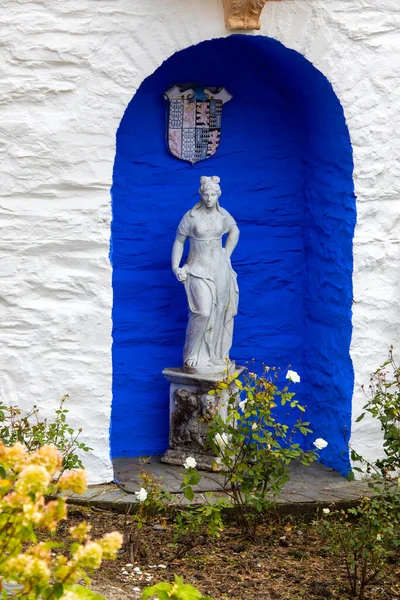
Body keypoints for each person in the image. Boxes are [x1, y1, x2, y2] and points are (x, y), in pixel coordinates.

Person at [172, 176, 240, 373]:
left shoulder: (223, 215)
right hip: (197, 269)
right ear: (201, 195)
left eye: (213, 195)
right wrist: (177, 267)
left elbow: (235, 231)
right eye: (206, 194)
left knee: (220, 311)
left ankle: (214, 356)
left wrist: (227, 252)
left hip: (219, 269)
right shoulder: (190, 217)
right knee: (202, 311)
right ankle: (191, 354)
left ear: (218, 195)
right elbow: (179, 241)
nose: (209, 198)